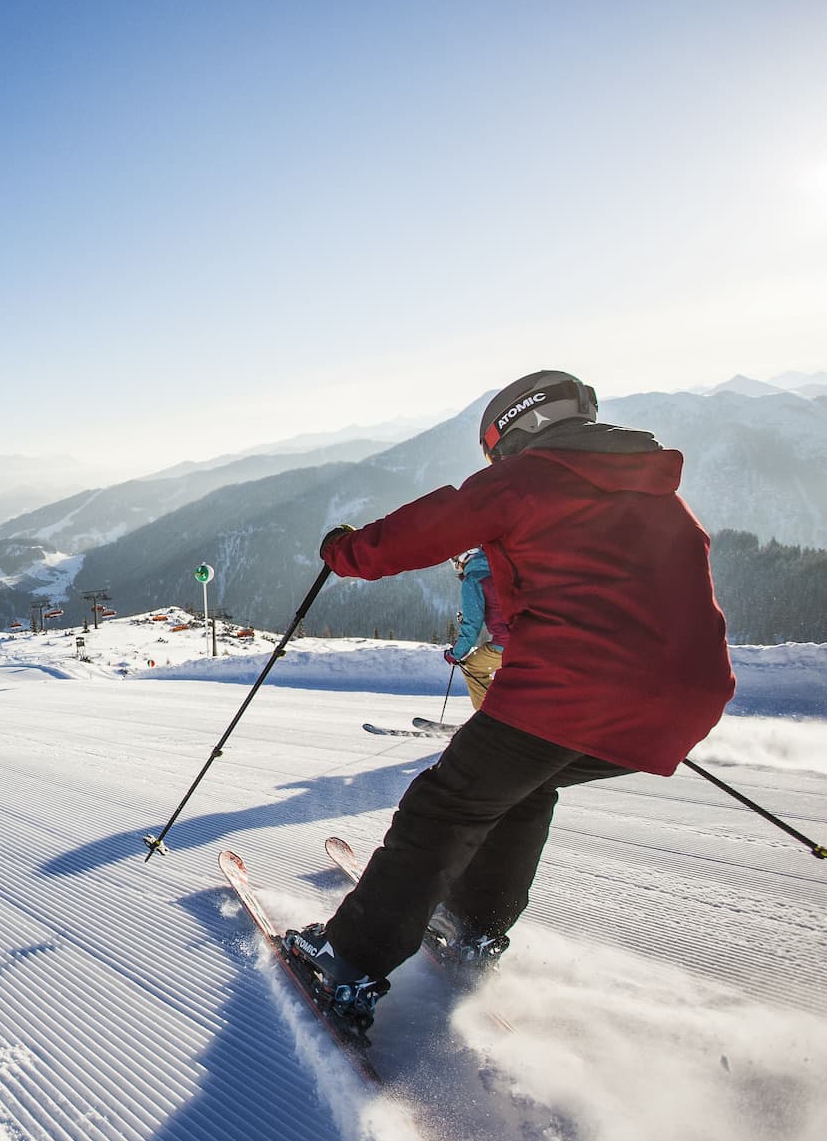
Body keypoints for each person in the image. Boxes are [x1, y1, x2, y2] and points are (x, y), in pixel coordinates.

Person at [283, 372, 733, 1031]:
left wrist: (342, 550)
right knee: (521, 787)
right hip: (685, 701)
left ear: (518, 432)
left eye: (495, 451)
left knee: (445, 805)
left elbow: (422, 530)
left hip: (571, 690)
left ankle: (345, 960)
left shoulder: (529, 478)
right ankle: (472, 927)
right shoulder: (662, 496)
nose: (495, 463)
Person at [446, 547, 507, 709]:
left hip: (508, 643)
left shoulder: (474, 579)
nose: (455, 565)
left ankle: (488, 723)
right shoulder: (503, 569)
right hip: (532, 636)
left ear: (465, 556)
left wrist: (455, 654)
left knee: (473, 668)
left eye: (455, 560)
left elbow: (472, 626)